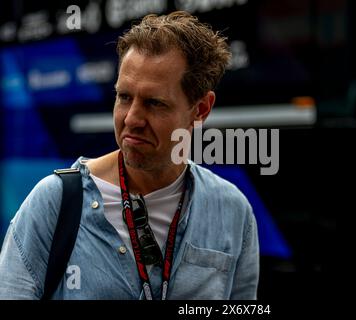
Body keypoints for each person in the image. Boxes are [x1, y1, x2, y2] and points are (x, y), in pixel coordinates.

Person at [0, 11, 259, 300]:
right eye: (124, 97)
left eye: (154, 103)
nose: (132, 118)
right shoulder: (55, 202)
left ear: (200, 110)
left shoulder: (233, 211)